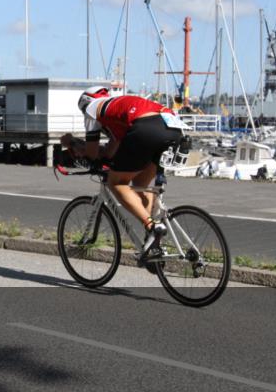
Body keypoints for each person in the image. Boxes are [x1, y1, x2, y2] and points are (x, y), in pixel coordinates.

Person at [61, 86, 186, 263]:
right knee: (140, 183)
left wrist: (72, 143)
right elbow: (110, 152)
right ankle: (151, 244)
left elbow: (92, 152)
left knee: (117, 183)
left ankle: (152, 226)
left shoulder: (92, 108)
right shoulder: (116, 110)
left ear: (85, 103)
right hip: (173, 127)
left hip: (147, 128)